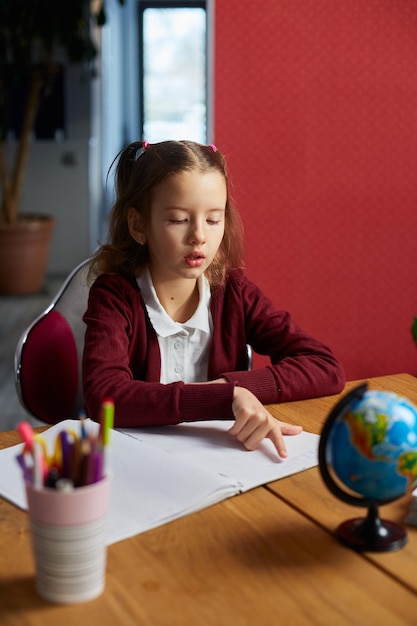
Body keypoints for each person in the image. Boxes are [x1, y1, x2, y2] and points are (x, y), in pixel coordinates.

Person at [82, 140, 345, 458]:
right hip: (137, 462)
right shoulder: (114, 296)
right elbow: (105, 396)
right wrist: (226, 396)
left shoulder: (233, 290)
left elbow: (324, 367)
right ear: (139, 225)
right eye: (178, 220)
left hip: (220, 459)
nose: (199, 236)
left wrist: (237, 390)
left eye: (213, 219)